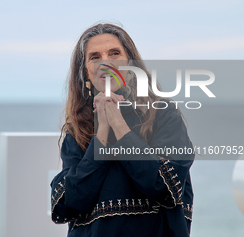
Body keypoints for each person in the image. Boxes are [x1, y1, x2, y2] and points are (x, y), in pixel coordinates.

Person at [50, 23, 194, 237]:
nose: (106, 62)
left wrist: (118, 124)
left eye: (114, 53)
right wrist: (101, 135)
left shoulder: (163, 114)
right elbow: (66, 204)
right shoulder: (78, 129)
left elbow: (163, 186)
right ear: (86, 73)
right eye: (95, 57)